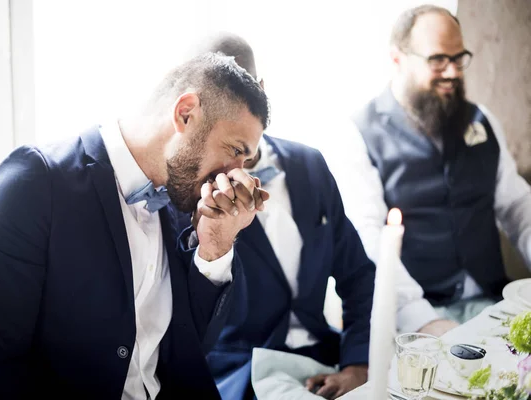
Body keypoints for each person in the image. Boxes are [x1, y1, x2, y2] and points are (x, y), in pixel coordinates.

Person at [0, 52, 271, 399]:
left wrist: (216, 246)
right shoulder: (33, 183)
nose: (235, 172)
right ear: (186, 113)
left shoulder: (185, 197)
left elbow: (191, 348)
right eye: (234, 150)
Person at [179, 32, 375, 400]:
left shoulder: (310, 165)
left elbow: (360, 276)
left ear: (260, 92)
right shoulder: (188, 193)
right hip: (242, 377)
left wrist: (357, 365)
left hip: (326, 362)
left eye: (237, 95)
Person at [327, 4, 531, 330]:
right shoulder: (359, 134)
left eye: (458, 58)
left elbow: (519, 206)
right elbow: (369, 238)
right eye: (438, 60)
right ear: (397, 59)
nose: (452, 72)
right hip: (416, 316)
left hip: (495, 303)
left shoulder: (482, 120)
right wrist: (423, 321)